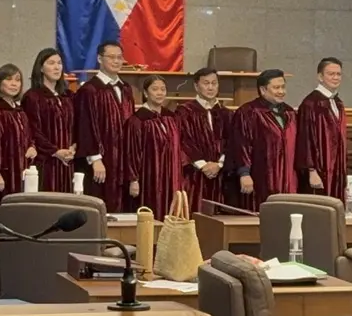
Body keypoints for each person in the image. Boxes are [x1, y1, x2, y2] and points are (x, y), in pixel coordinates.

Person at [73, 41, 135, 212]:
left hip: (123, 159)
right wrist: (95, 159)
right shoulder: (90, 90)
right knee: (100, 204)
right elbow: (85, 126)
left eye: (119, 57)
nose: (116, 61)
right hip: (102, 159)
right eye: (111, 57)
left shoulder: (126, 89)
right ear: (100, 59)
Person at [228, 69, 297, 211]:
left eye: (283, 87)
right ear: (263, 90)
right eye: (276, 87)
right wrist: (244, 173)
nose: (281, 91)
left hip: (289, 178)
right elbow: (241, 144)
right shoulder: (248, 112)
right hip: (261, 177)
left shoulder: (290, 113)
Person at [123, 75, 183, 217]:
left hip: (172, 177)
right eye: (155, 89)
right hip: (149, 177)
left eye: (163, 89)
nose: (160, 93)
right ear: (145, 93)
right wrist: (133, 179)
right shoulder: (137, 120)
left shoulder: (171, 117)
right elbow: (132, 152)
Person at [175, 67, 233, 212]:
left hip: (221, 175)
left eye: (214, 83)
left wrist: (219, 164)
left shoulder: (226, 114)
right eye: (206, 83)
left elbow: (232, 142)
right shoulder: (184, 111)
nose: (211, 87)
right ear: (196, 86)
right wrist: (203, 165)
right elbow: (183, 141)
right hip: (195, 174)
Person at [22, 48, 75, 194]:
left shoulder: (68, 96)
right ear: (41, 68)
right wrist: (55, 151)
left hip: (68, 160)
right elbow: (33, 130)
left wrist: (73, 147)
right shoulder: (33, 97)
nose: (57, 67)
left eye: (59, 63)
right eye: (51, 63)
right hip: (45, 162)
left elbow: (76, 125)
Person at [295, 57, 348, 201]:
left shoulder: (337, 102)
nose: (336, 77)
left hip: (336, 169)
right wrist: (311, 170)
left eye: (338, 74)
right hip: (318, 169)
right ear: (320, 76)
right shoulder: (310, 104)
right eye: (331, 74)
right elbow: (305, 139)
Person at [0, 63, 36, 205]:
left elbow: (28, 135)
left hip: (21, 169)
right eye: (9, 79)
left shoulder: (19, 111)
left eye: (17, 80)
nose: (14, 84)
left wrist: (32, 146)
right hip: (4, 171)